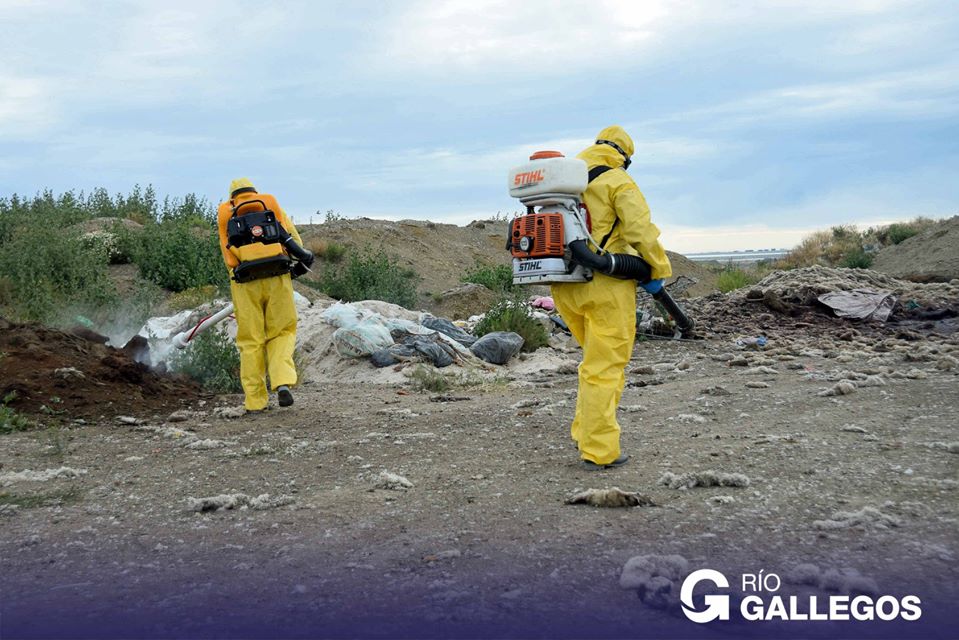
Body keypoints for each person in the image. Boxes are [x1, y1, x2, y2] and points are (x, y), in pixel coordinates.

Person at [551, 126, 672, 469]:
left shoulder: (566, 181)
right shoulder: (617, 180)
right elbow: (640, 231)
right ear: (624, 156)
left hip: (563, 286)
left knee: (594, 364)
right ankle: (599, 450)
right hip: (605, 286)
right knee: (604, 368)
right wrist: (658, 269)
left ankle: (584, 431)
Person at [216, 178, 307, 412]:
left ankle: (255, 401)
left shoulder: (227, 216)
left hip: (245, 284)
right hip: (277, 279)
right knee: (282, 331)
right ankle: (282, 381)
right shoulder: (271, 208)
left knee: (251, 341)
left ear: (232, 196)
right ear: (254, 192)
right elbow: (296, 244)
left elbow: (229, 258)